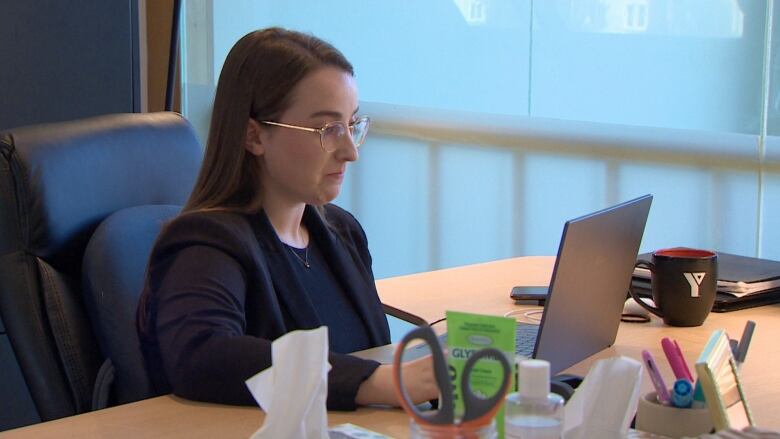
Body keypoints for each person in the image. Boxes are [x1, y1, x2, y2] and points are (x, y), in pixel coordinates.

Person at [136, 28, 437, 410]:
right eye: (327, 129)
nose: (349, 152)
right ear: (254, 136)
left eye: (352, 125)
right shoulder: (205, 244)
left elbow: (367, 352)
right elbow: (202, 355)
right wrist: (375, 383)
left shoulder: (341, 232)